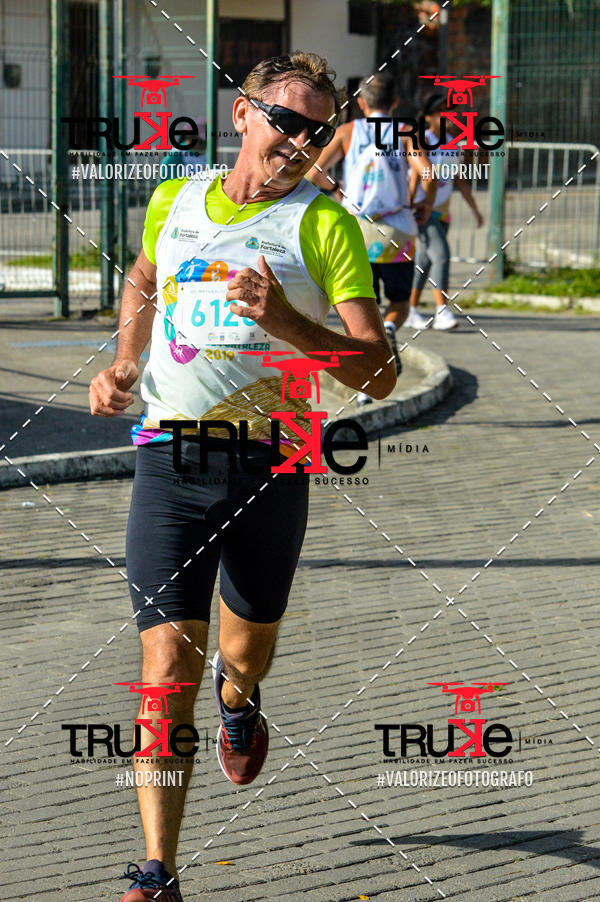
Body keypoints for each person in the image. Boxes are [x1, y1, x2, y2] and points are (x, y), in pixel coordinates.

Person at [88, 51, 396, 902]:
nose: (300, 139)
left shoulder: (323, 225)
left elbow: (380, 372)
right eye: (287, 119)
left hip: (272, 465)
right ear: (242, 115)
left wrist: (290, 322)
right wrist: (123, 361)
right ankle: (158, 870)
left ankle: (242, 701)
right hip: (169, 462)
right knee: (163, 671)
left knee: (240, 655)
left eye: (317, 128)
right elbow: (146, 278)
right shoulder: (175, 200)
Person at [308, 72, 436, 402]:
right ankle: (392, 327)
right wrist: (423, 205)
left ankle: (364, 388)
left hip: (356, 229)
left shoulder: (348, 132)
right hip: (398, 229)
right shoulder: (408, 132)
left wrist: (339, 191)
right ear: (394, 102)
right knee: (398, 301)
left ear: (361, 103)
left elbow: (314, 173)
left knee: (362, 309)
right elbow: (428, 174)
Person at [404, 93, 484, 331]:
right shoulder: (422, 139)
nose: (448, 116)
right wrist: (408, 207)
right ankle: (442, 311)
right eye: (441, 112)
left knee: (425, 261)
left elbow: (459, 180)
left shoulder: (451, 141)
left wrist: (475, 210)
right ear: (428, 117)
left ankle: (411, 311)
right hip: (423, 211)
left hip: (443, 213)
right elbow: (416, 176)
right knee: (442, 255)